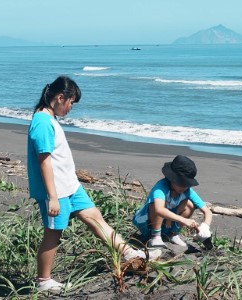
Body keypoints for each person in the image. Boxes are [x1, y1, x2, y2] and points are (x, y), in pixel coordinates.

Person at [27, 76, 161, 292]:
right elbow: (44, 161)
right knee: (53, 233)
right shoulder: (42, 122)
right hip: (56, 190)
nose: (71, 108)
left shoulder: (49, 118)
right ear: (60, 98)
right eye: (71, 102)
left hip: (70, 186)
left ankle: (129, 253)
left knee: (94, 216)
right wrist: (52, 197)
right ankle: (43, 281)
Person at [133, 155, 213, 248]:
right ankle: (155, 236)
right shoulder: (161, 187)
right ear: (172, 178)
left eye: (186, 184)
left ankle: (173, 233)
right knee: (156, 205)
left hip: (167, 224)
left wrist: (205, 226)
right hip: (146, 222)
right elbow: (159, 210)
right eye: (180, 183)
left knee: (189, 205)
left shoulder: (187, 191)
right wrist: (183, 220)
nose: (183, 187)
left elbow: (207, 212)